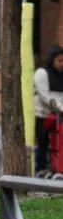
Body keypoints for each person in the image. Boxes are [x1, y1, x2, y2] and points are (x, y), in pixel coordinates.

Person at [33, 44, 63, 175]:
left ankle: (56, 167)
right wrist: (60, 107)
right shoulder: (42, 73)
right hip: (44, 115)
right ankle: (41, 168)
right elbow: (44, 95)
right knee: (42, 143)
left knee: (58, 143)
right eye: (59, 60)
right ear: (52, 60)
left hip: (59, 115)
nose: (62, 64)